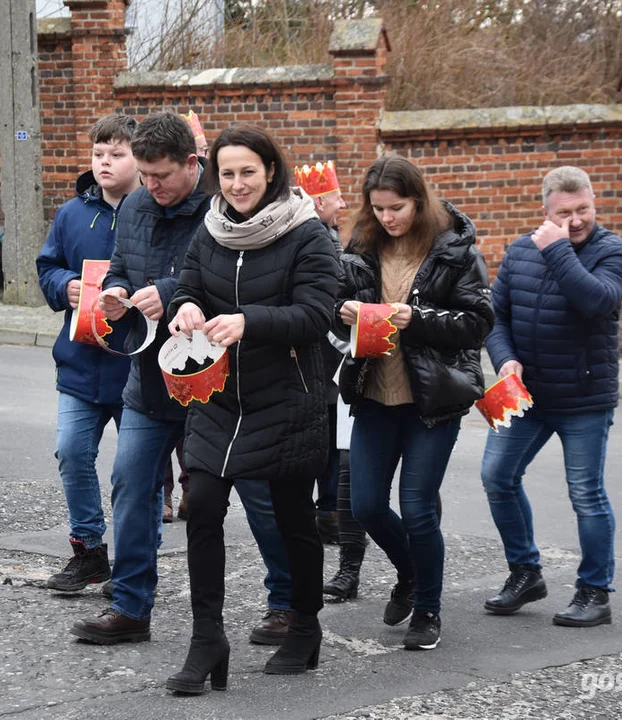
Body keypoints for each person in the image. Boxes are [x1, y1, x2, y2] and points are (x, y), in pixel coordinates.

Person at [70, 112, 297, 647]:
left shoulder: (224, 212)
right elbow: (122, 265)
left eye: (163, 176)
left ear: (193, 165)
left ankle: (285, 602)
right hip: (149, 382)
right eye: (145, 176)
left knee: (259, 494)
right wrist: (119, 292)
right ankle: (130, 606)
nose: (152, 187)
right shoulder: (134, 207)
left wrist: (169, 292)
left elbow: (234, 290)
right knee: (129, 485)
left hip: (218, 383)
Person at [164, 124, 340, 694]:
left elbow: (319, 314)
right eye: (228, 173)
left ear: (271, 172)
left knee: (293, 521)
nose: (237, 184)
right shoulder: (210, 227)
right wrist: (185, 308)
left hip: (287, 398)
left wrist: (250, 321)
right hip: (219, 398)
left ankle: (305, 626)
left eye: (249, 172)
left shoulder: (307, 233)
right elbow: (189, 283)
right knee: (204, 507)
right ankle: (207, 639)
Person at [337, 155, 493, 651]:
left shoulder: (454, 248)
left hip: (433, 397)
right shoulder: (361, 244)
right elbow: (332, 304)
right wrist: (342, 312)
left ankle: (427, 609)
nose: (388, 217)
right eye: (379, 208)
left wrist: (417, 317)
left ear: (419, 200)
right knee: (365, 506)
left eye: (397, 207)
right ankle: (411, 574)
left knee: (419, 509)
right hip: (374, 393)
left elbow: (478, 322)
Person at [480, 166, 622, 628]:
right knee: (496, 477)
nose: (575, 219)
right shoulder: (521, 251)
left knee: (586, 495)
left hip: (584, 397)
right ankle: (525, 572)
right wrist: (505, 360)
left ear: (593, 203)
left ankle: (595, 592)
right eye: (563, 213)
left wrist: (559, 248)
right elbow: (495, 316)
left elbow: (596, 301)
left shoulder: (614, 252)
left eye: (583, 209)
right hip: (527, 396)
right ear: (545, 211)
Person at [35, 115, 140, 593]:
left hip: (135, 368)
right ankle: (89, 552)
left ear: (138, 158)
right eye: (98, 153)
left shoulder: (153, 212)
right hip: (79, 364)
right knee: (73, 454)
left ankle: (137, 562)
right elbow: (47, 266)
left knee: (129, 472)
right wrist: (64, 285)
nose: (105, 162)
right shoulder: (72, 214)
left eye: (116, 154)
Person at [295, 161, 348, 546]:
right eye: (336, 197)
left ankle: (325, 509)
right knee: (328, 441)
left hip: (323, 355)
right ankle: (327, 510)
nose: (343, 203)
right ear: (317, 203)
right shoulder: (324, 241)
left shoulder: (329, 235)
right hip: (327, 358)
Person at [162, 109, 209, 525]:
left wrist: (174, 296)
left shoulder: (213, 210)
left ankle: (192, 487)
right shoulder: (141, 205)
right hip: (151, 351)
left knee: (190, 430)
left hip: (202, 346)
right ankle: (165, 492)